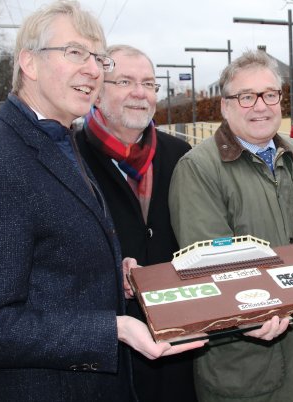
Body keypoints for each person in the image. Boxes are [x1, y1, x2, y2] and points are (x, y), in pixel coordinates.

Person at [0, 0, 203, 402]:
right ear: (29, 63)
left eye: (97, 57)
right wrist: (113, 328)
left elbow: (49, 260)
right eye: (75, 53)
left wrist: (115, 271)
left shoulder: (57, 140)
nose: (92, 69)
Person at [168, 50, 293, 402]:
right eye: (246, 97)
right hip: (249, 370)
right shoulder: (198, 169)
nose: (260, 106)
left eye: (270, 94)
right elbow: (209, 263)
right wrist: (256, 309)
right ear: (225, 106)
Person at [76, 44, 197, 402]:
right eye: (124, 81)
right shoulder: (70, 157)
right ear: (97, 92)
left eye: (149, 83)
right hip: (105, 349)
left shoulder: (180, 155)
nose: (139, 93)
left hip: (178, 339)